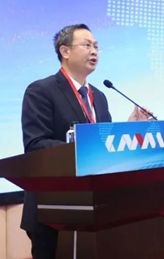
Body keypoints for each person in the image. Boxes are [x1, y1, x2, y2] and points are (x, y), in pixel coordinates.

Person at [20, 24, 150, 259]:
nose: (94, 51)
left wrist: (130, 128)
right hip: (54, 208)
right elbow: (35, 145)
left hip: (97, 206)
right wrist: (83, 147)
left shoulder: (99, 96)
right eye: (87, 45)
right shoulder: (41, 90)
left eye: (97, 47)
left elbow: (105, 146)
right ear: (65, 51)